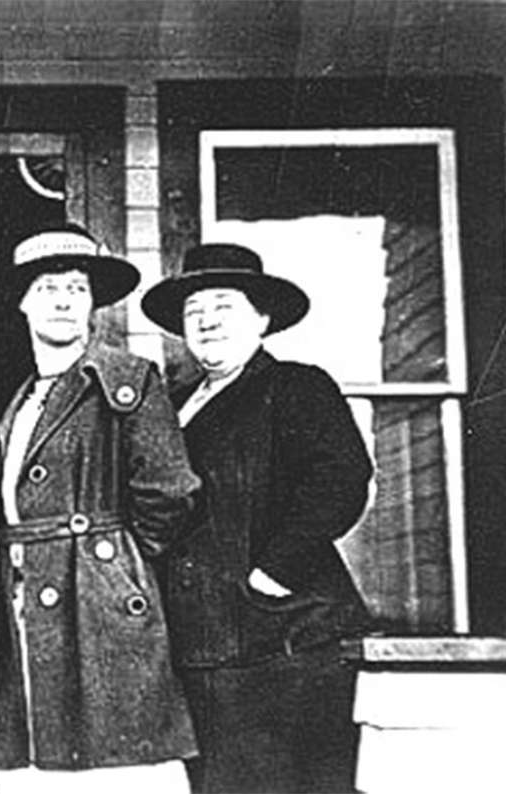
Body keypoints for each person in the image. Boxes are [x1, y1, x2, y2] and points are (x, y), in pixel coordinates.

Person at [0, 224, 201, 793]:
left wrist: (113, 565)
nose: (63, 301)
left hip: (99, 604)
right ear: (23, 302)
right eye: (48, 288)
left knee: (115, 766)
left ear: (94, 303)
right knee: (36, 760)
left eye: (76, 288)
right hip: (25, 600)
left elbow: (171, 490)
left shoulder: (123, 378)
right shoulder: (21, 399)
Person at [140, 242, 375, 793]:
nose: (206, 320)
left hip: (288, 644)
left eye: (223, 305)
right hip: (201, 647)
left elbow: (340, 480)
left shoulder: (294, 386)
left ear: (261, 318)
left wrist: (270, 574)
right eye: (194, 310)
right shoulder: (171, 405)